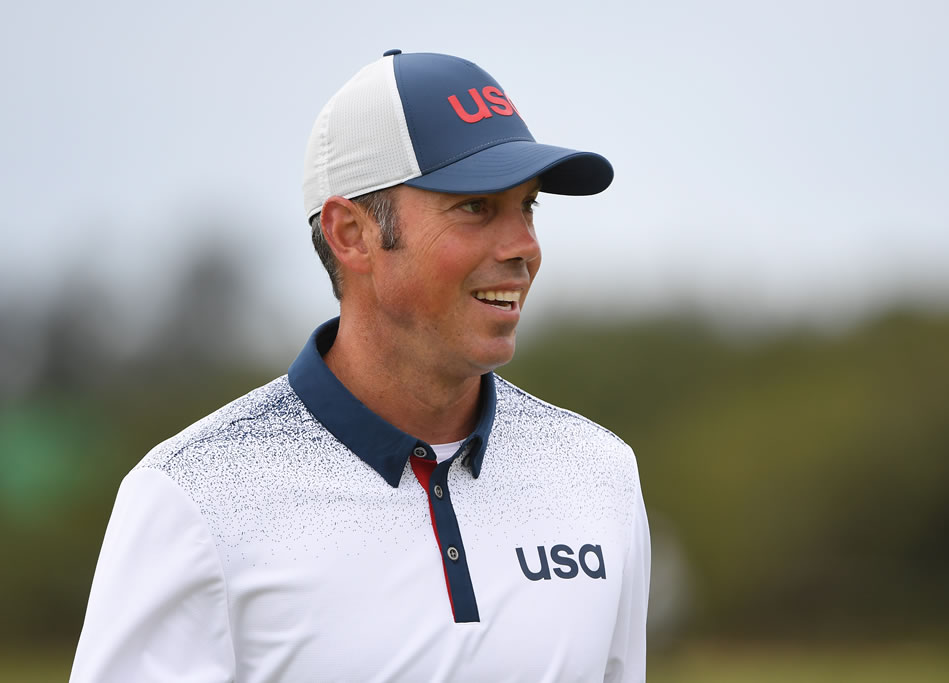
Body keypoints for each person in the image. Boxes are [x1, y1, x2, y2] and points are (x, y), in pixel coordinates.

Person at [71, 50, 650, 682]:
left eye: (528, 206)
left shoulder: (599, 474)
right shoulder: (196, 496)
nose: (524, 248)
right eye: (476, 207)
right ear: (350, 233)